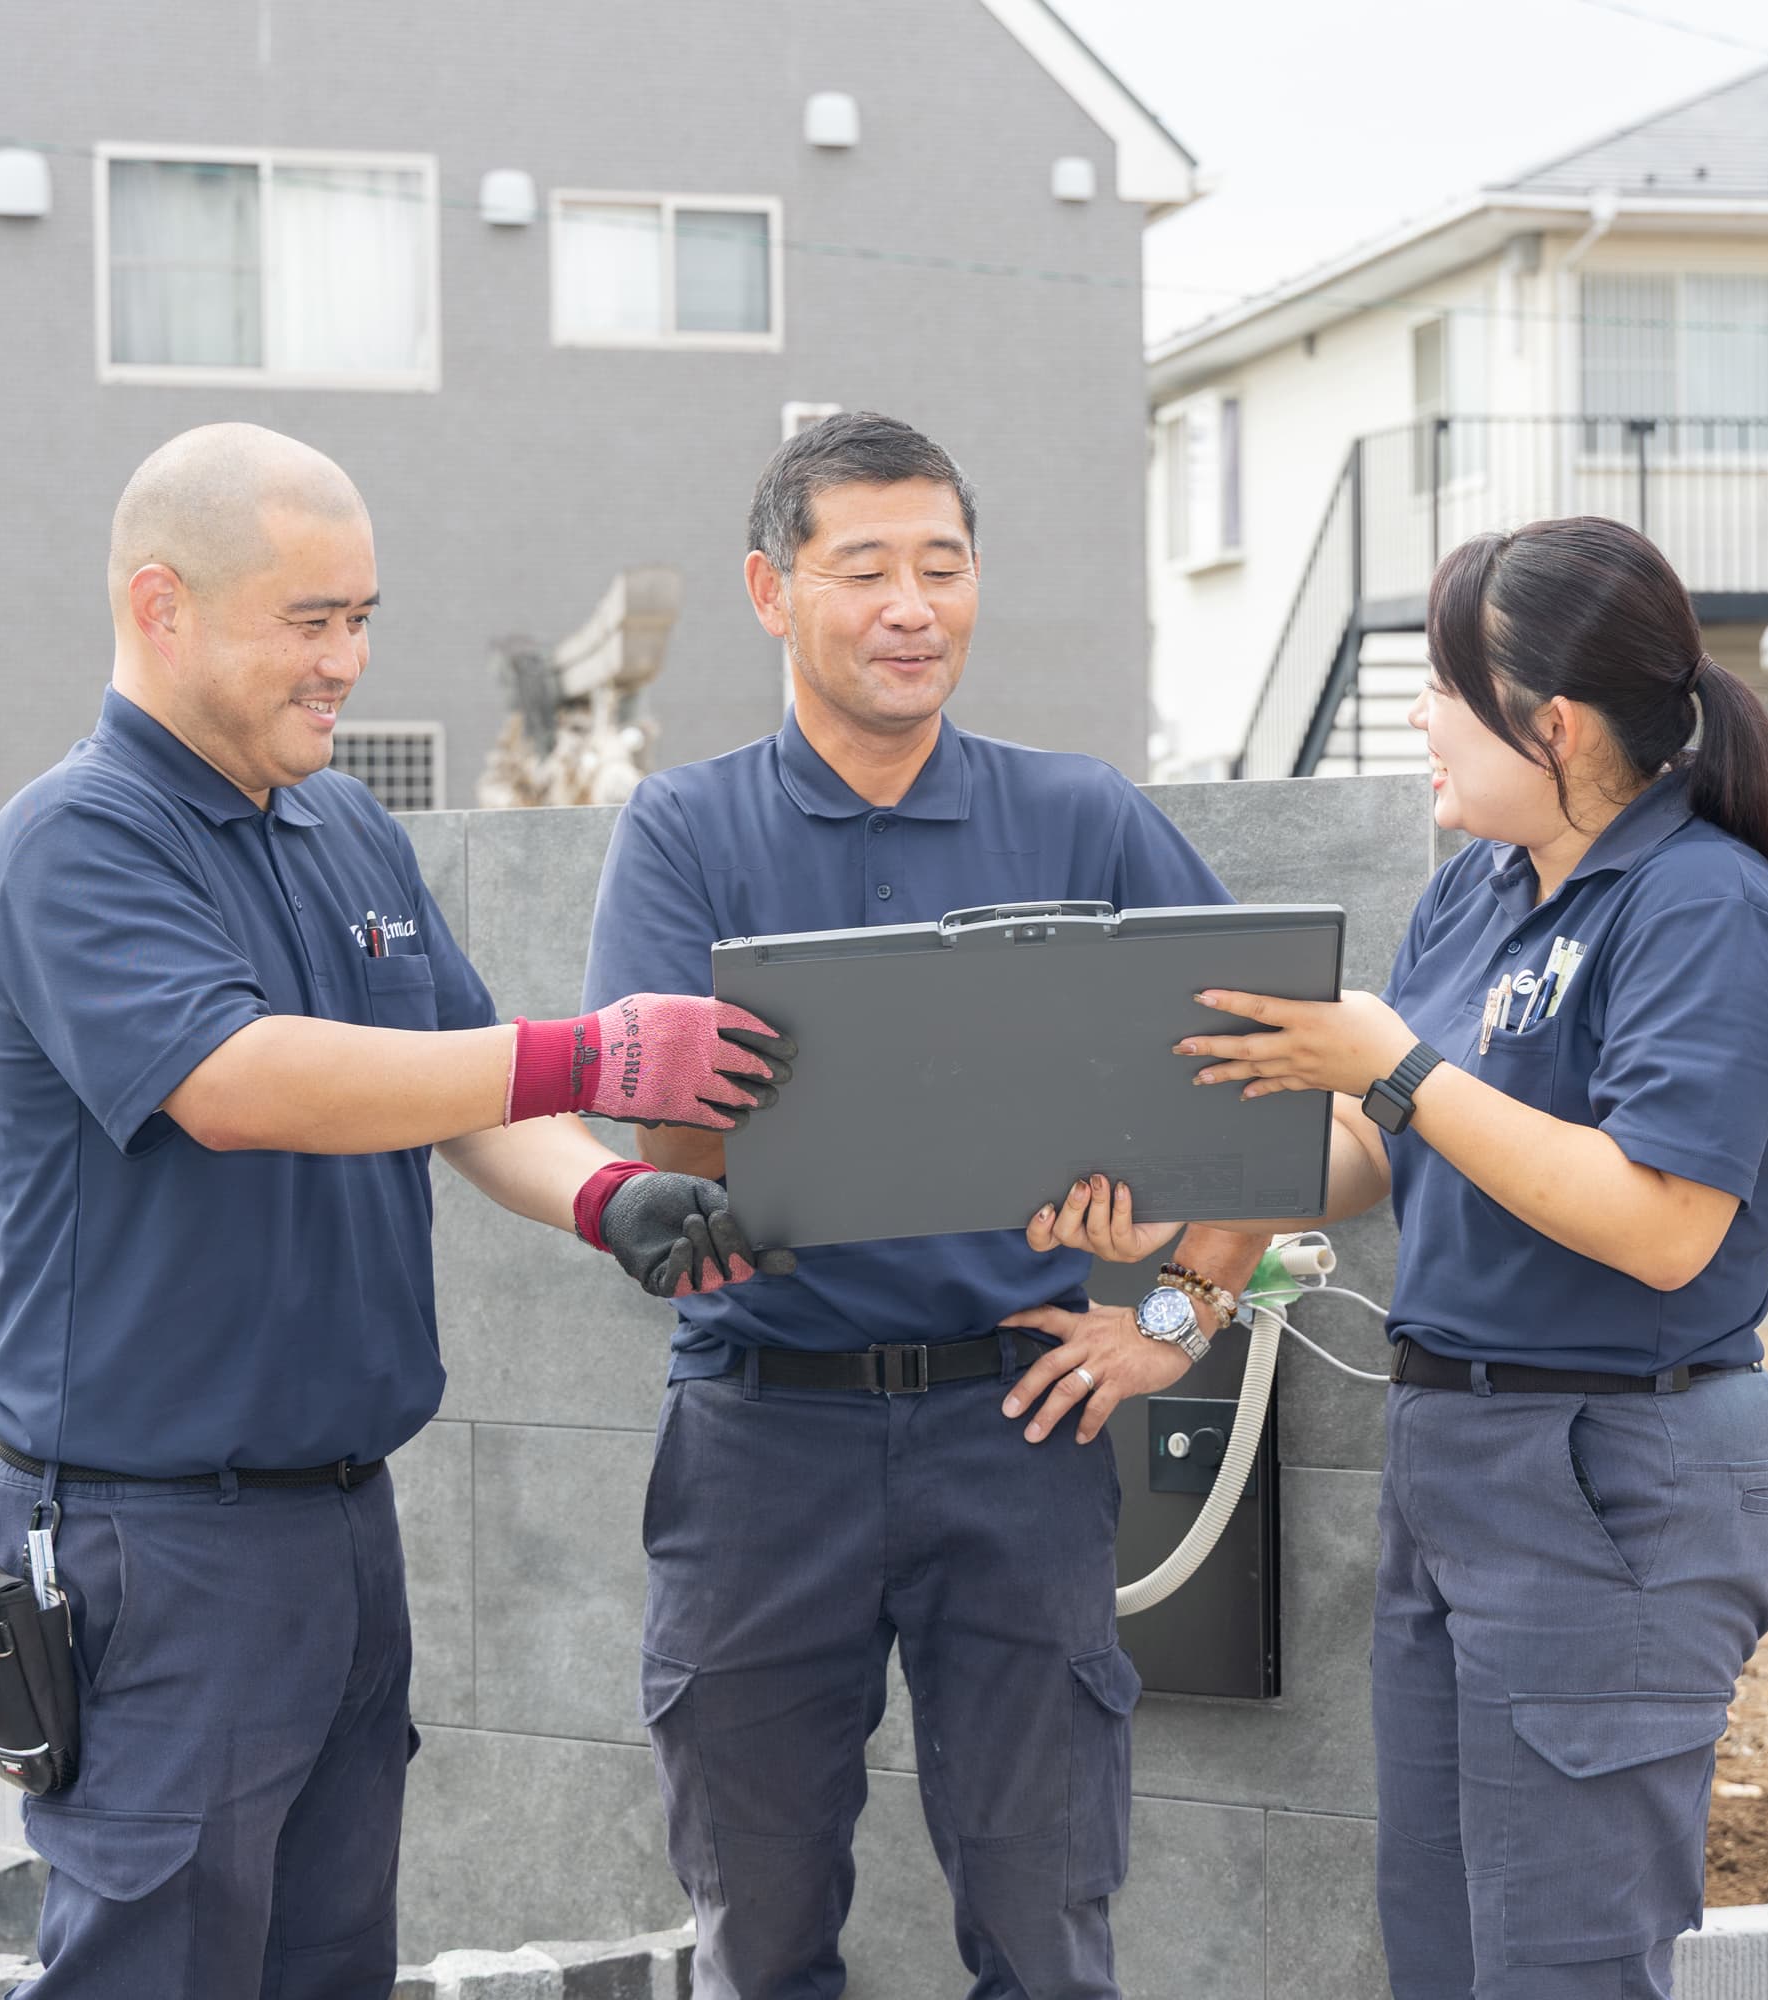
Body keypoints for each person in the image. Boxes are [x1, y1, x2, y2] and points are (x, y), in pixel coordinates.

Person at [0, 423, 794, 1999]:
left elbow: (468, 1097)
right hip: (152, 1542)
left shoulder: (343, 827)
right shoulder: (75, 840)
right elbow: (239, 1079)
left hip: (339, 1524)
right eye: (308, 621)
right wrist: (595, 1047)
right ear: (163, 605)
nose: (344, 661)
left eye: (362, 619)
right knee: (161, 1969)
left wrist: (611, 1192)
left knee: (328, 1964)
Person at [1050, 516, 1768, 1998]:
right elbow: (1376, 1152)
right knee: (1444, 1945)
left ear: (1551, 723)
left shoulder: (1704, 910)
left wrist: (1401, 1063)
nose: (1420, 716)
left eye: (1441, 684)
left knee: (1566, 1959)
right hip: (1459, 1447)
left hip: (1613, 1461)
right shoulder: (1483, 888)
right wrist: (1176, 1235)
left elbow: (1662, 1224)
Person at [581, 413, 1269, 2000]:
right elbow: (659, 1142)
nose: (913, 607)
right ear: (773, 591)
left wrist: (1176, 1311)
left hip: (1011, 1436)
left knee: (1048, 1926)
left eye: (943, 568)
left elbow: (1272, 1082)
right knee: (757, 1932)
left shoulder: (1084, 818)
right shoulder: (686, 832)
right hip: (761, 1443)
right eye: (866, 569)